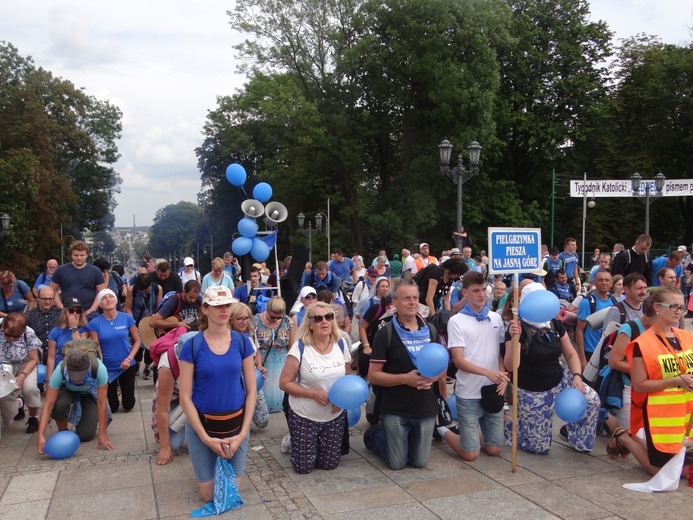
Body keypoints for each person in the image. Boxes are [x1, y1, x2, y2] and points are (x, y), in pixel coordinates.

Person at [178, 285, 257, 504]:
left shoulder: (242, 342)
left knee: (231, 494)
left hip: (235, 425)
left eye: (227, 305)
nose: (224, 310)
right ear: (205, 309)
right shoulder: (192, 345)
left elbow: (251, 390)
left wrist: (242, 434)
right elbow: (185, 396)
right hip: (203, 426)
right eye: (217, 306)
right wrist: (204, 437)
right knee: (209, 497)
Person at [605, 286, 693, 477]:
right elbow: (639, 385)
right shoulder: (642, 343)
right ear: (658, 308)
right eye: (674, 307)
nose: (679, 312)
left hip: (686, 412)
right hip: (659, 413)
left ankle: (631, 438)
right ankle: (625, 437)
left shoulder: (686, 337)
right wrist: (676, 380)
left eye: (682, 307)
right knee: (661, 471)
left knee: (682, 467)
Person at [503, 284, 600, 454]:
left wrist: (577, 376)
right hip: (532, 389)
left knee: (592, 400)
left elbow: (571, 354)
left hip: (558, 378)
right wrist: (514, 338)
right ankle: (513, 426)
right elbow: (511, 366)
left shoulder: (554, 323)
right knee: (539, 448)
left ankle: (577, 439)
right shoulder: (518, 328)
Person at [365, 279, 440, 470]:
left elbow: (441, 366)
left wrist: (434, 378)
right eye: (407, 298)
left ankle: (401, 440)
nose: (413, 302)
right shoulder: (386, 333)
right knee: (397, 463)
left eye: (415, 298)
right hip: (395, 408)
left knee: (419, 462)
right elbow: (373, 376)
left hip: (424, 407)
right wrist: (405, 379)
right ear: (395, 302)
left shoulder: (430, 330)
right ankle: (375, 433)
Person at [439, 271, 508, 461]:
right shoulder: (456, 321)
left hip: (492, 390)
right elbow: (459, 360)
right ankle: (444, 429)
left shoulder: (495, 318)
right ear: (465, 293)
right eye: (476, 290)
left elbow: (500, 352)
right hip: (468, 392)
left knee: (494, 450)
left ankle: (473, 435)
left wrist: (502, 374)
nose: (481, 294)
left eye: (484, 289)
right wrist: (487, 371)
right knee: (471, 454)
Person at [279, 302, 351, 474]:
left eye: (328, 317)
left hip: (333, 415)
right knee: (303, 468)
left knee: (329, 464)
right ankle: (294, 439)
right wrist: (313, 394)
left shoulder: (340, 344)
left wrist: (342, 399)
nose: (324, 321)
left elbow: (346, 377)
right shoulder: (301, 347)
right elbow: (284, 383)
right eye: (318, 318)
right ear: (310, 324)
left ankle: (311, 443)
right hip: (305, 414)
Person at [37, 349, 114, 452]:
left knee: (85, 435)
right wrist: (40, 435)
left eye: (81, 375)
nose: (77, 379)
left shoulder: (99, 368)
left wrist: (102, 434)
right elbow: (48, 405)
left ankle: (86, 421)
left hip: (89, 393)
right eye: (74, 376)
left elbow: (102, 403)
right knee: (59, 405)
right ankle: (63, 431)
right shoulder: (60, 369)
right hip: (68, 389)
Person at [604, 297, 657, 434]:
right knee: (634, 434)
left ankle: (619, 438)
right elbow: (614, 362)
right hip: (628, 386)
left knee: (646, 433)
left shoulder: (665, 330)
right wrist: (645, 371)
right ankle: (620, 438)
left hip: (652, 388)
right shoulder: (629, 328)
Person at [87, 289, 141, 413]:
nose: (108, 299)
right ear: (100, 304)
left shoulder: (126, 318)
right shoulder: (95, 323)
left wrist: (129, 358)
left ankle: (125, 392)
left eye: (111, 296)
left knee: (128, 405)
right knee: (113, 407)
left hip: (127, 365)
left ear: (116, 300)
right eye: (104, 298)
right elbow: (96, 347)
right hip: (107, 367)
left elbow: (137, 341)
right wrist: (100, 366)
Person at [252, 296, 295, 413]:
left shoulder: (288, 322)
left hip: (282, 362)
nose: (275, 320)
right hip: (262, 361)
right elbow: (252, 346)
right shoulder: (255, 321)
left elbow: (292, 347)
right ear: (267, 309)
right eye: (272, 316)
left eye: (279, 317)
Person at [229, 303, 269, 429]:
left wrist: (259, 366)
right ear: (231, 320)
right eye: (240, 318)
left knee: (263, 420)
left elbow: (256, 351)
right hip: (235, 381)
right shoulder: (227, 337)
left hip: (252, 377)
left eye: (247, 318)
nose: (244, 321)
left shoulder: (250, 332)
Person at [0, 314, 41, 433]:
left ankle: (33, 417)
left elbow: (33, 358)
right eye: (8, 335)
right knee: (8, 415)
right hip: (3, 366)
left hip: (25, 364)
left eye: (16, 336)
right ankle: (18, 403)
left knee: (30, 389)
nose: (11, 339)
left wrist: (22, 376)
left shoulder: (29, 333)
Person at [49, 241, 105, 315]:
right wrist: (60, 307)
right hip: (67, 311)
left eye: (82, 255)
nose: (79, 258)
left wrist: (92, 309)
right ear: (71, 255)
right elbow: (51, 290)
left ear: (87, 255)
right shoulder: (61, 270)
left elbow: (102, 292)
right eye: (76, 255)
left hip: (89, 312)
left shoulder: (95, 271)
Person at [575, 269, 614, 369]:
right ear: (594, 282)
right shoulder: (587, 303)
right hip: (591, 352)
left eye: (607, 280)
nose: (604, 283)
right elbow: (579, 330)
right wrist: (582, 358)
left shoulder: (614, 300)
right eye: (600, 280)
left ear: (611, 283)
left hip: (608, 352)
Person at [46, 297, 90, 380]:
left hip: (79, 368)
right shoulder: (56, 331)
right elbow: (51, 357)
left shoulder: (85, 329)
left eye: (78, 311)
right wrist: (49, 379)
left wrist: (74, 329)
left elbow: (80, 349)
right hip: (61, 367)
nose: (75, 313)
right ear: (65, 312)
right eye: (71, 311)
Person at [357, 294, 393, 378]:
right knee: (365, 360)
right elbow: (362, 327)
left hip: (386, 348)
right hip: (370, 344)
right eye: (389, 306)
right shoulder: (376, 309)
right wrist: (366, 346)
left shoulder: (398, 313)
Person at [26, 285, 61, 361]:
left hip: (58, 353)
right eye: (44, 299)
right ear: (38, 299)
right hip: (37, 354)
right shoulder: (29, 316)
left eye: (50, 299)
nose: (48, 302)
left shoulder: (61, 315)